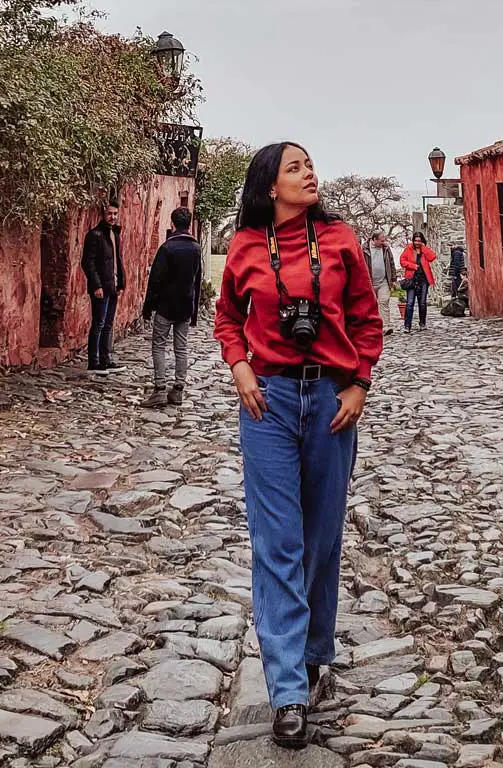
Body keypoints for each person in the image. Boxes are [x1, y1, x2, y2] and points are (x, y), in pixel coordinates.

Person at [214, 141, 383, 750]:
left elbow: (367, 320)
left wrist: (359, 383)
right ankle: (287, 690)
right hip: (269, 404)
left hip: (332, 405)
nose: (309, 174)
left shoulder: (339, 241)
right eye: (295, 167)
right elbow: (228, 318)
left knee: (321, 538)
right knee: (277, 540)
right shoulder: (244, 247)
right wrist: (240, 368)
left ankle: (313, 653)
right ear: (268, 186)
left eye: (310, 165)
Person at [141, 207, 203, 407]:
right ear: (189, 224)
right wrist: (194, 311)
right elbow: (197, 280)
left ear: (172, 224)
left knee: (158, 345)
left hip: (166, 305)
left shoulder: (167, 248)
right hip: (185, 305)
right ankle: (178, 389)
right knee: (181, 347)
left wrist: (148, 306)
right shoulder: (195, 248)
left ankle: (159, 388)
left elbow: (155, 280)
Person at [82, 203, 127, 373]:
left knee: (108, 324)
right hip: (101, 287)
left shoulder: (115, 234)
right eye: (109, 213)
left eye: (115, 214)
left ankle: (105, 359)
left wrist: (121, 283)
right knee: (98, 324)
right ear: (103, 214)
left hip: (113, 286)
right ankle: (93, 362)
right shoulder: (95, 235)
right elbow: (88, 262)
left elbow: (118, 261)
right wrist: (96, 285)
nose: (113, 217)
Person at [399, 232, 437, 331]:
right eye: (415, 240)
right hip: (412, 279)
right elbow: (402, 261)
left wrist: (423, 248)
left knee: (423, 303)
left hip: (423, 280)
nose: (417, 242)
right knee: (410, 302)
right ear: (413, 240)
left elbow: (432, 257)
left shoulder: (424, 250)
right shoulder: (408, 249)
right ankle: (407, 326)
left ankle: (422, 323)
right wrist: (413, 266)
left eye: (419, 241)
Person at [365, 231, 398, 336]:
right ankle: (372, 327)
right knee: (371, 305)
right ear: (374, 240)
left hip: (383, 280)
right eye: (381, 240)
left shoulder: (386, 249)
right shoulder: (364, 249)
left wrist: (393, 279)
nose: (384, 242)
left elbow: (391, 263)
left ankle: (386, 326)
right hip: (369, 282)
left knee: (384, 301)